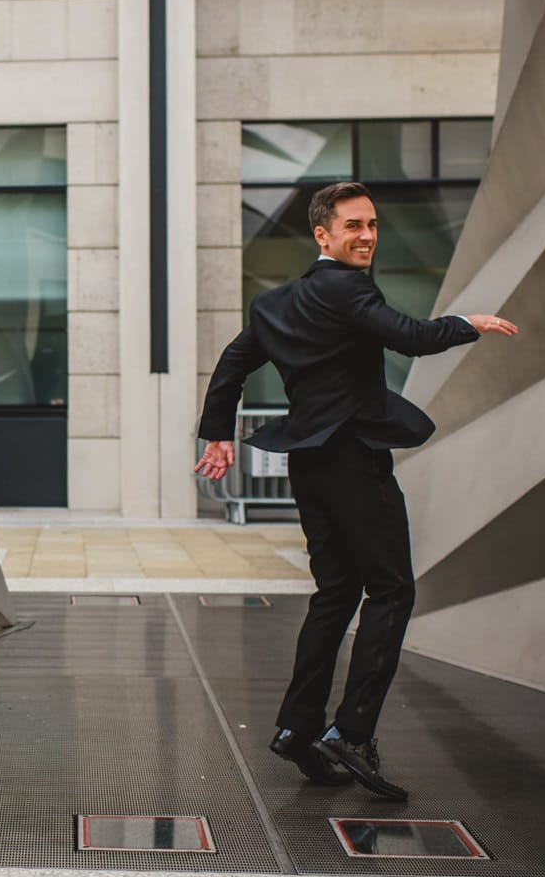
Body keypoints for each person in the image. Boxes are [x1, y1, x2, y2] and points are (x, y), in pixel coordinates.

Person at [194, 181, 517, 800]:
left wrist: (217, 435)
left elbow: (233, 365)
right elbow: (409, 335)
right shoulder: (348, 289)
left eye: (372, 225)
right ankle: (351, 733)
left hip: (310, 464)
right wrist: (466, 324)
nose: (367, 236)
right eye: (353, 227)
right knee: (392, 589)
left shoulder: (280, 303)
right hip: (353, 459)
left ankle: (298, 727)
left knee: (337, 592)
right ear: (323, 235)